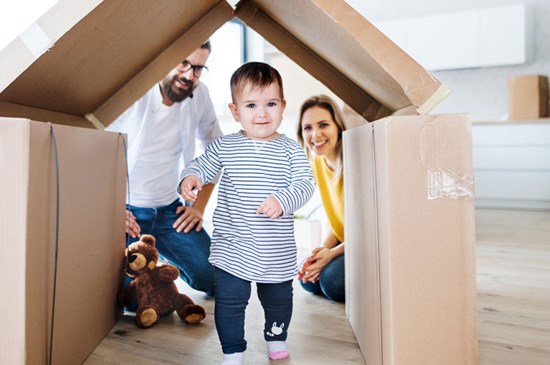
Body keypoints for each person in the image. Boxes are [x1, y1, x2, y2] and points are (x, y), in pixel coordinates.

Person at [180, 62, 315, 365]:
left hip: (275, 248)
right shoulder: (225, 146)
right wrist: (190, 178)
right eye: (251, 105)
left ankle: (276, 335)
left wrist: (284, 198)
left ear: (282, 106)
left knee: (279, 300)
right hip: (233, 245)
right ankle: (233, 351)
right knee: (230, 302)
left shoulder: (291, 151)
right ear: (236, 111)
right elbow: (201, 166)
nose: (262, 113)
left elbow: (306, 184)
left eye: (271, 104)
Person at [106, 41, 221, 297]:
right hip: (128, 214)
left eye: (199, 69)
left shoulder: (200, 95)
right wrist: (110, 209)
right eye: (184, 63)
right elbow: (93, 149)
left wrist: (199, 207)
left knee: (215, 279)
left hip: (171, 211)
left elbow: (216, 149)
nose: (189, 75)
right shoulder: (133, 92)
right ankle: (151, 264)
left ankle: (161, 258)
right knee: (128, 295)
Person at [296, 94, 348, 303]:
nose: (315, 134)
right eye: (307, 127)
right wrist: (322, 250)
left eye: (323, 124)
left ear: (338, 126)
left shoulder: (355, 160)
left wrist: (332, 254)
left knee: (331, 282)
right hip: (345, 242)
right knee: (307, 278)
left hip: (366, 245)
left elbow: (370, 232)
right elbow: (336, 222)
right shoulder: (318, 162)